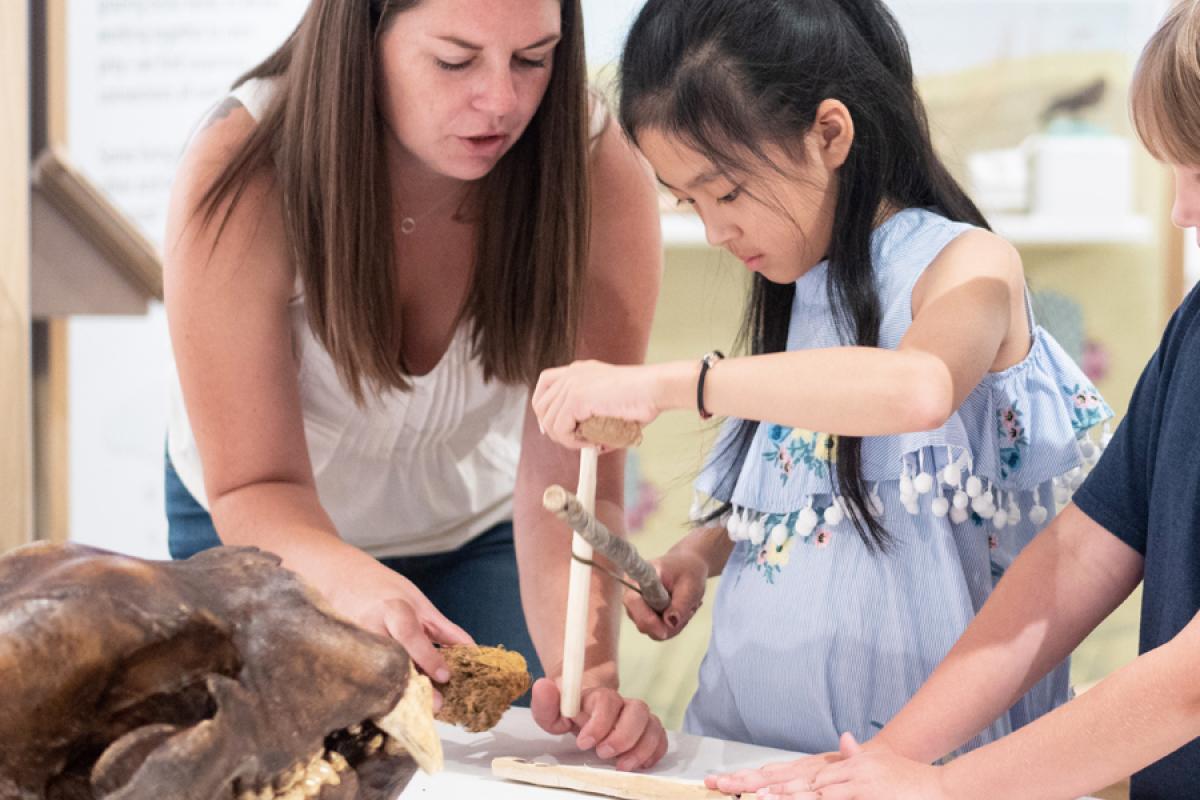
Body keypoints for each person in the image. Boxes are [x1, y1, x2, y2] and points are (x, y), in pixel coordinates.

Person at [532, 0, 1113, 762]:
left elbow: (916, 392)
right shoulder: (799, 286)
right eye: (689, 202)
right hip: (744, 747)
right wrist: (703, 553)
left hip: (914, 766)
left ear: (829, 133)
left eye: (728, 192)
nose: (714, 231)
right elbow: (814, 480)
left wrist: (673, 384)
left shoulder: (967, 265)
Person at [708, 3, 1200, 797]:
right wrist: (883, 762)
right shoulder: (1195, 331)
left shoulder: (966, 264)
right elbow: (1076, 559)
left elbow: (1192, 681)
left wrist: (942, 788)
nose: (1182, 210)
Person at [162, 0, 667, 771]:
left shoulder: (597, 169)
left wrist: (588, 669)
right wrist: (360, 593)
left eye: (534, 59)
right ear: (362, 38)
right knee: (281, 774)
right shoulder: (246, 168)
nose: (502, 101)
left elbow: (575, 475)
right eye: (456, 60)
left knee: (517, 760)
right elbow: (256, 483)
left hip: (482, 522)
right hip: (259, 518)